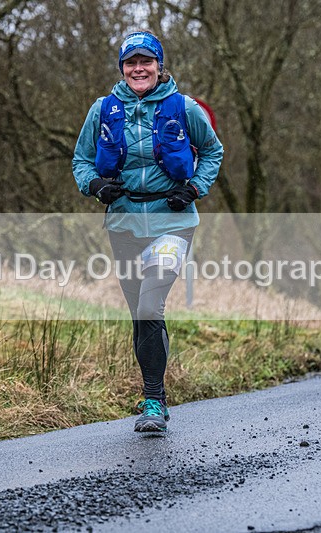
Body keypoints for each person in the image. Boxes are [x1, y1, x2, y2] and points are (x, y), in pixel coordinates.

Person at [72, 30, 223, 432]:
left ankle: (153, 402)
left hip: (172, 222)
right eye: (131, 63)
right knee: (141, 315)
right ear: (122, 68)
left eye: (146, 62)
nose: (139, 69)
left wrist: (194, 188)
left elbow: (212, 151)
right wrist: (95, 185)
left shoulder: (184, 107)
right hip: (122, 222)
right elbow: (82, 161)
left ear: (159, 66)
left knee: (149, 307)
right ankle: (153, 393)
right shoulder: (102, 109)